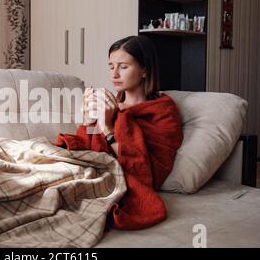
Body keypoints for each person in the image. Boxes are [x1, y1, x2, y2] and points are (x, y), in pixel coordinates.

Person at [54, 35, 184, 230]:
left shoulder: (162, 110)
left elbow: (144, 168)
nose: (114, 74)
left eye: (123, 67)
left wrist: (107, 127)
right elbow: (87, 143)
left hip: (111, 176)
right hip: (87, 165)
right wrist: (88, 121)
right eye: (111, 66)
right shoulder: (110, 104)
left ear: (144, 70)